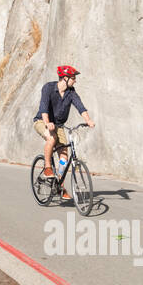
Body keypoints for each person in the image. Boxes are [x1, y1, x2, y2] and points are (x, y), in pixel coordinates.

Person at [33, 65, 95, 199]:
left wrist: (88, 120)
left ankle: (58, 184)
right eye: (73, 78)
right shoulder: (48, 88)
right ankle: (48, 167)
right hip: (42, 121)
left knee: (64, 158)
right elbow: (44, 107)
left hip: (59, 125)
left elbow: (80, 107)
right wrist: (48, 122)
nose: (75, 81)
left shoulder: (71, 93)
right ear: (65, 78)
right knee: (51, 138)